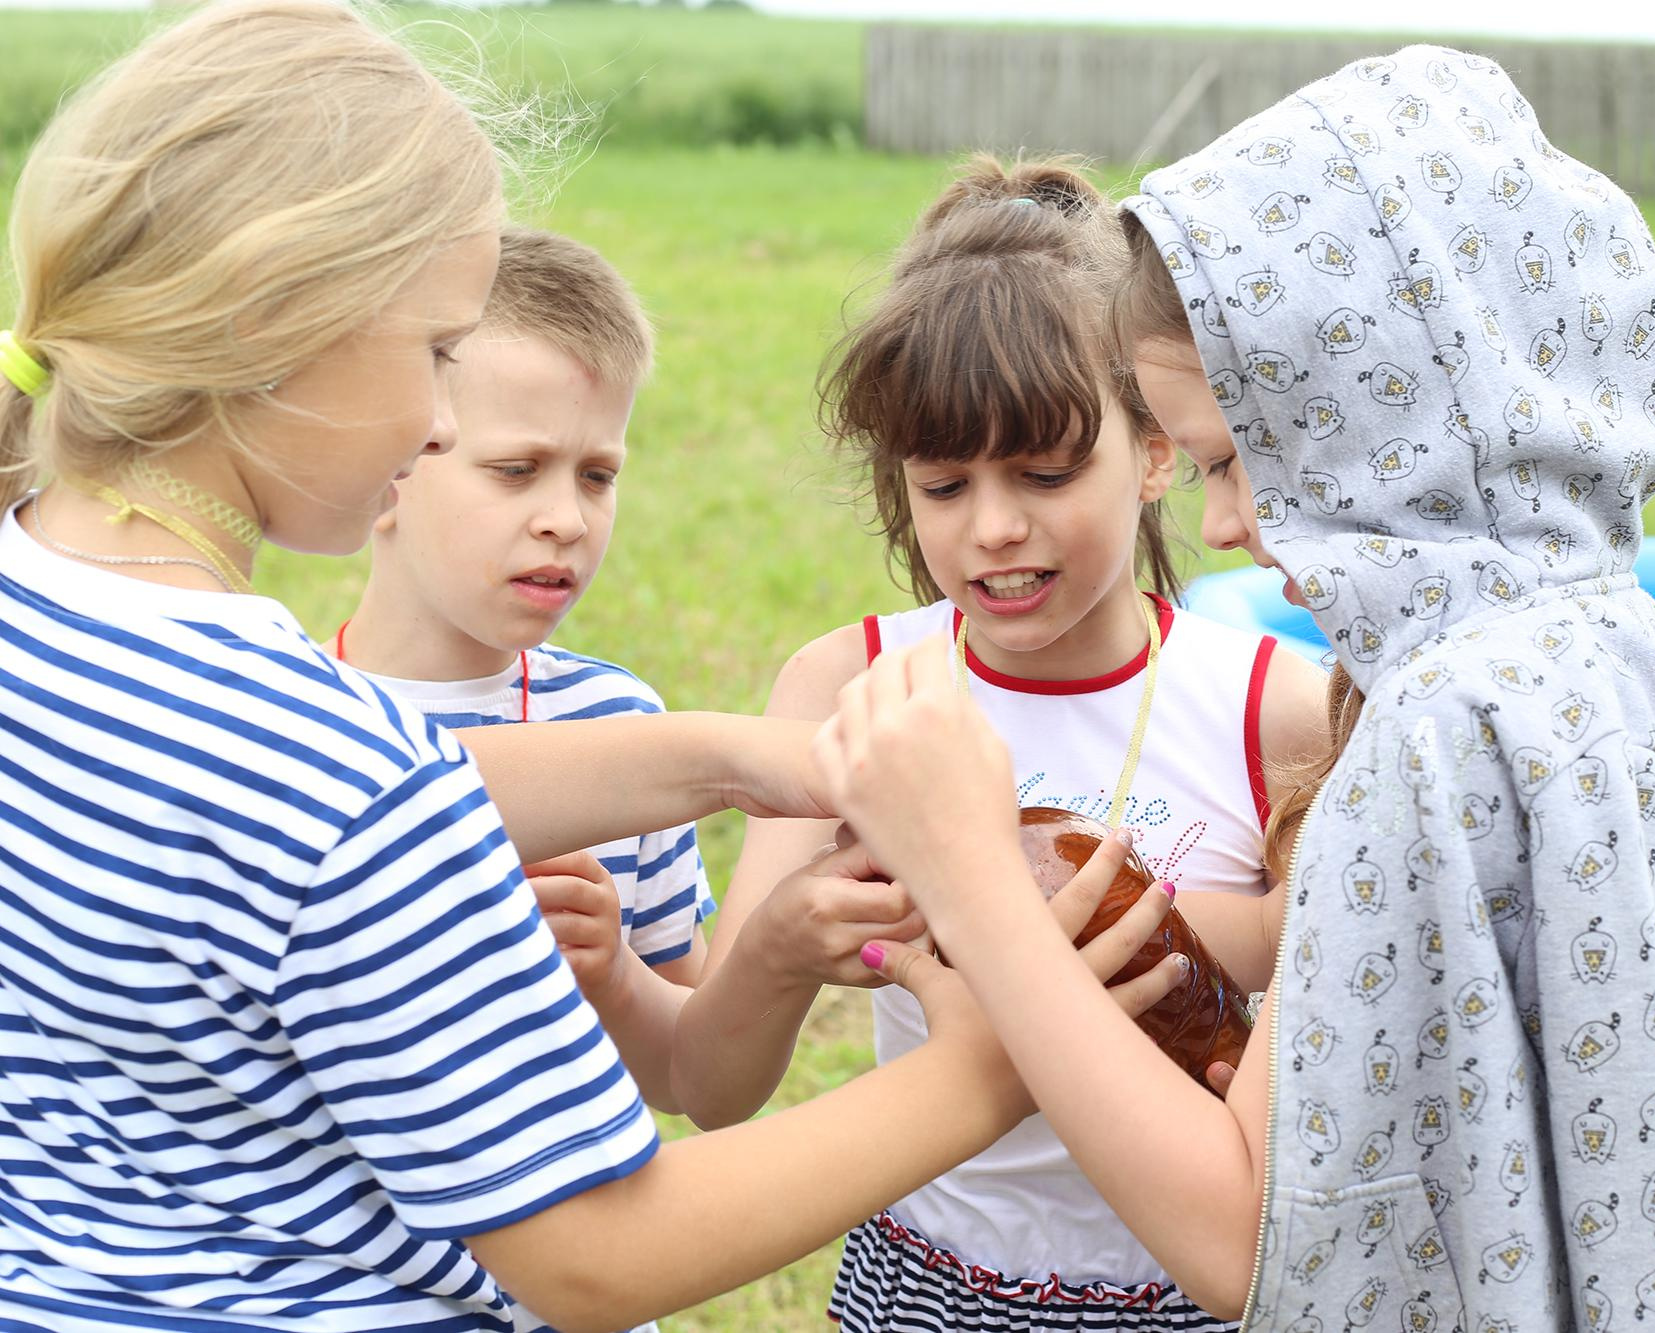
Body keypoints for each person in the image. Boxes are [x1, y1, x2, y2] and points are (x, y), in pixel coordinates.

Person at [0, 6, 1181, 1330]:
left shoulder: (47, 609)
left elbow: (307, 810)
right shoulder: (336, 783)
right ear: (285, 318)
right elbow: (601, 1256)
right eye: (440, 351)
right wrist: (997, 1064)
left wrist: (740, 759)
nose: (445, 414)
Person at [812, 48, 1655, 1333]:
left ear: (1380, 421)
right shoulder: (1626, 660)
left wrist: (968, 881)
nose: (1225, 521)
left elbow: (1242, 1240)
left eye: (1241, 458)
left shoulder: (1432, 741)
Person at [670, 156, 1330, 1332]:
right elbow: (715, 1090)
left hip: (1191, 1291)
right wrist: (774, 949)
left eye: (1044, 470)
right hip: (925, 1283)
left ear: (1158, 449)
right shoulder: (851, 690)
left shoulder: (1274, 711)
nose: (993, 528)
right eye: (942, 483)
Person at [333, 226, 711, 1116]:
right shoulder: (287, 723)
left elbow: (687, 1070)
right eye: (517, 470)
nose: (567, 520)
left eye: (597, 476)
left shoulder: (628, 729)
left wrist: (613, 971)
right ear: (387, 468)